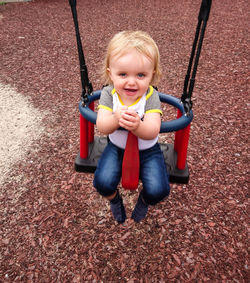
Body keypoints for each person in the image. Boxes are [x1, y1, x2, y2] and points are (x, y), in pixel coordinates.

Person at [93, 30, 170, 224]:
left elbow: (153, 129)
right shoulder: (109, 94)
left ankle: (144, 200)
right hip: (116, 148)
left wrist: (137, 126)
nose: (131, 82)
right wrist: (116, 118)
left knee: (159, 190)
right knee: (102, 183)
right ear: (111, 74)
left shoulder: (151, 96)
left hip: (148, 150)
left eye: (141, 75)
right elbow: (102, 126)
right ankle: (115, 200)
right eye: (123, 74)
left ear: (152, 75)